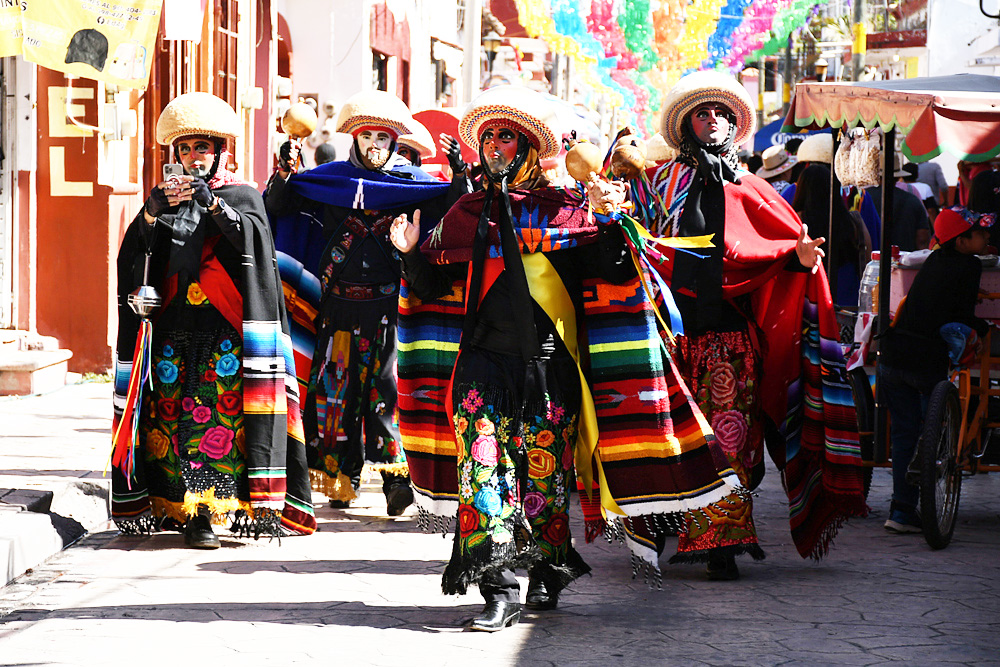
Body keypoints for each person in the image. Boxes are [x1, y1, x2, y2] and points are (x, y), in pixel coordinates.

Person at [391, 85, 742, 630]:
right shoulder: (464, 213)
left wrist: (609, 220)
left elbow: (619, 272)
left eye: (506, 137)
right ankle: (498, 591)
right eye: (488, 137)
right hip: (481, 365)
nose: (494, 146)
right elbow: (433, 287)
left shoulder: (570, 211)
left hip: (550, 366)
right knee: (482, 473)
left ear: (530, 148)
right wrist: (412, 253)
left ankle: (546, 572)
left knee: (543, 479)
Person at [641, 71, 868, 579]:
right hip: (669, 335)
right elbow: (642, 248)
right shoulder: (660, 187)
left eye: (722, 113)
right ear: (686, 125)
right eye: (703, 113)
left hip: (730, 340)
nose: (714, 120)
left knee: (730, 436)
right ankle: (662, 524)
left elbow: (773, 253)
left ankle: (722, 543)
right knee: (671, 437)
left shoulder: (753, 188)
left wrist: (799, 258)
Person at [112, 92, 317, 546]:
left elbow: (255, 245)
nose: (193, 157)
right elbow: (134, 257)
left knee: (215, 421)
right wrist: (149, 215)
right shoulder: (163, 199)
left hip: (225, 330)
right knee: (168, 420)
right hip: (170, 331)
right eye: (184, 149)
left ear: (220, 150)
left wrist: (213, 206)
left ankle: (208, 510)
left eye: (201, 147)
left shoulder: (241, 195)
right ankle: (180, 506)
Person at [264, 90, 462, 516]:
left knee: (387, 391)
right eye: (367, 134)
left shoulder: (414, 186)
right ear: (353, 136)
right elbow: (278, 206)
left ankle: (396, 478)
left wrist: (460, 177)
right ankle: (340, 475)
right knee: (335, 390)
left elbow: (453, 209)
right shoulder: (327, 180)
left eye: (384, 137)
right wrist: (284, 170)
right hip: (335, 306)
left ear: (396, 141)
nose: (375, 143)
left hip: (391, 308)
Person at [878, 207, 993, 533]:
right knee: (932, 431)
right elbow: (961, 314)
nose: (987, 237)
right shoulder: (969, 265)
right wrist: (983, 331)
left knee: (903, 433)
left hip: (893, 354)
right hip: (924, 359)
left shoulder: (933, 261)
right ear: (961, 241)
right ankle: (924, 463)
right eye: (980, 232)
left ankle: (901, 511)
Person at [793, 164, 865, 307]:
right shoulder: (852, 221)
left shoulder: (797, 222)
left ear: (801, 189)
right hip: (848, 295)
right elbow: (865, 256)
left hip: (810, 297)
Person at [868, 157, 931, 251]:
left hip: (871, 261)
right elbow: (922, 239)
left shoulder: (864, 198)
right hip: (904, 261)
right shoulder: (913, 200)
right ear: (898, 177)